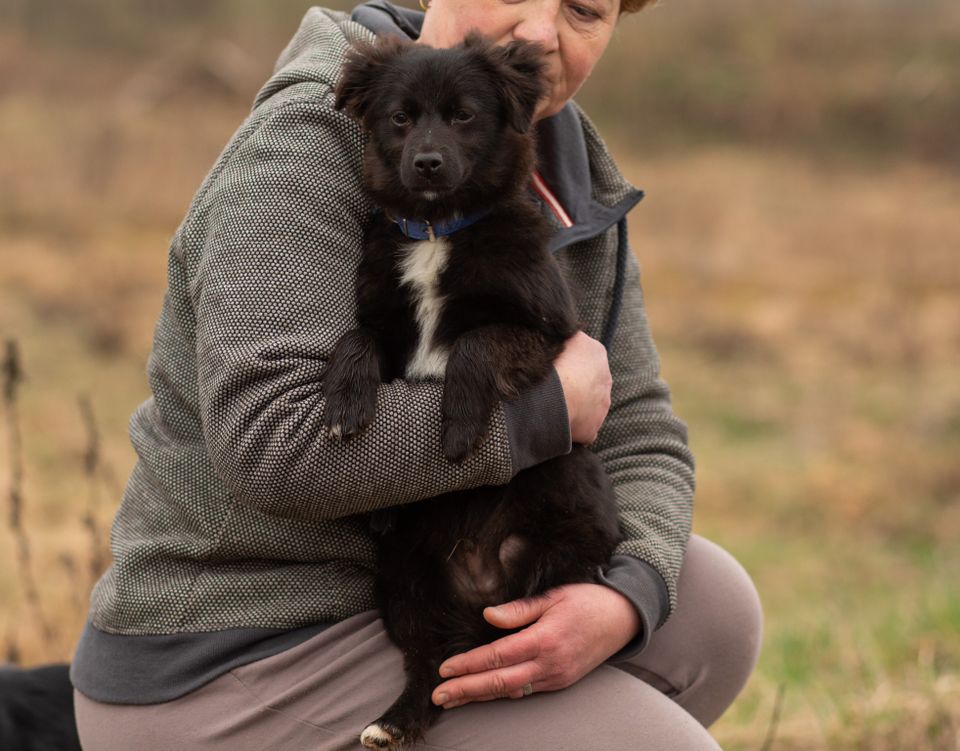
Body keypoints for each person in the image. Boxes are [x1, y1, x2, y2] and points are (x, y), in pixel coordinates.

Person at [70, 1, 763, 749]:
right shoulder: (302, 145)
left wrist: (624, 598)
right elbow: (272, 446)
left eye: (585, 9)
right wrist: (534, 418)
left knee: (711, 607)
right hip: (244, 635)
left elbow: (639, 429)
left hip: (442, 566)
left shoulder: (561, 164)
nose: (540, 29)